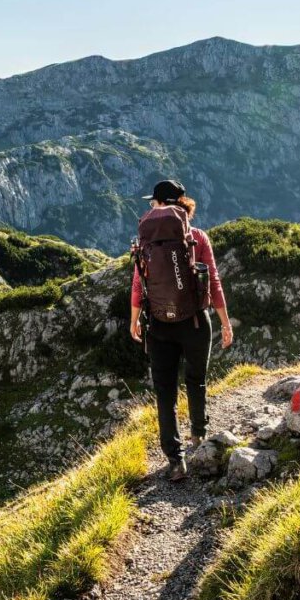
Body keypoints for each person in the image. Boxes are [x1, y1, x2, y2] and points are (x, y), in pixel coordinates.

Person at [130, 179, 233, 481]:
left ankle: (175, 461)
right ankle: (199, 438)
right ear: (182, 202)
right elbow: (213, 281)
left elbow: (139, 283)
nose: (151, 205)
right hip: (195, 322)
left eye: (154, 201)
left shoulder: (146, 241)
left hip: (159, 325)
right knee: (196, 381)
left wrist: (134, 319)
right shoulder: (197, 237)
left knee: (165, 392)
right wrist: (225, 322)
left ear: (160, 203)